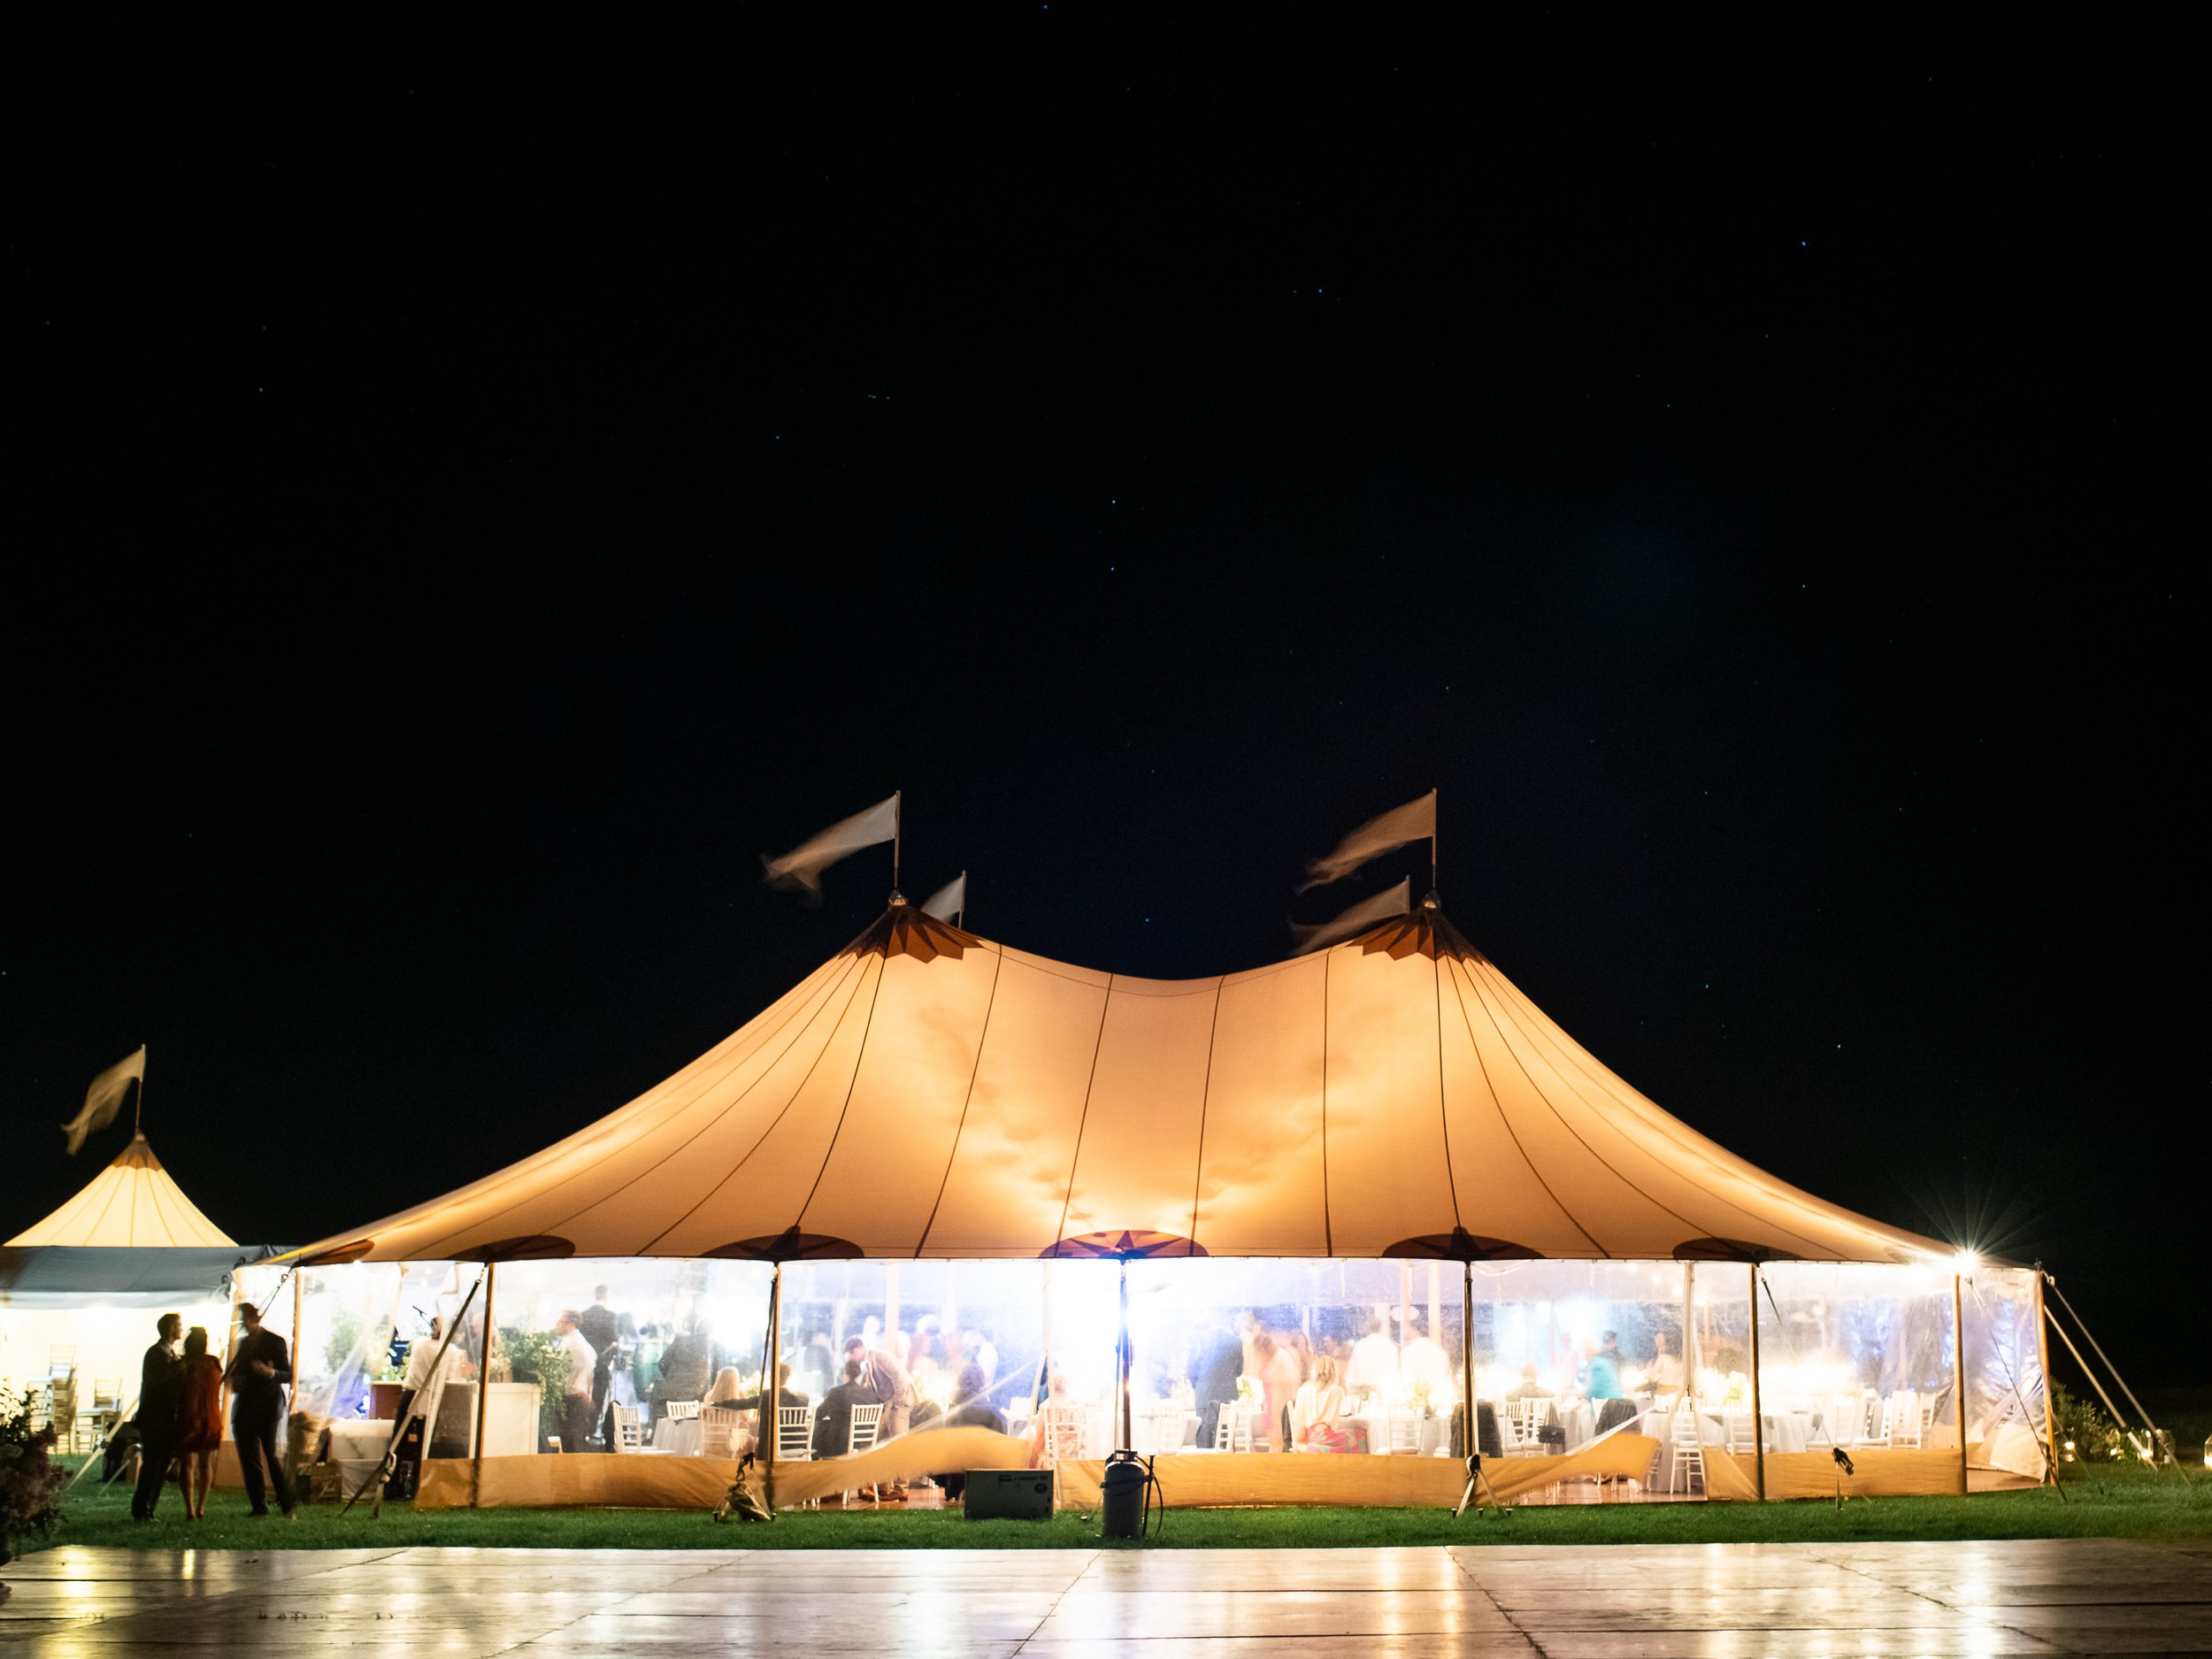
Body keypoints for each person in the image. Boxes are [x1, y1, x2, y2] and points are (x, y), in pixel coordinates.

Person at [227, 1302, 295, 1517]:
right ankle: (258, 1505)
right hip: (246, 1406)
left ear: (250, 1319)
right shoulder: (243, 1344)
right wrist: (237, 1381)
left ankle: (286, 1501)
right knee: (249, 1459)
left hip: (267, 1405)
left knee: (271, 1454)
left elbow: (288, 1374)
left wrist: (270, 1373)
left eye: (243, 1321)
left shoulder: (275, 1341)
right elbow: (239, 1373)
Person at [130, 1312, 183, 1520]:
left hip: (166, 1418)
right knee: (152, 1464)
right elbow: (157, 1382)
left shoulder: (169, 1352)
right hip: (155, 1418)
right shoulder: (156, 1353)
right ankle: (141, 1508)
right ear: (170, 1328)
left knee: (161, 1465)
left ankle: (150, 1507)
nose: (181, 1328)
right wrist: (179, 1367)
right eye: (179, 1325)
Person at [173, 1325, 224, 1520]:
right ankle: (201, 1506)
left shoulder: (184, 1364)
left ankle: (190, 1509)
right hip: (210, 1416)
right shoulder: (213, 1363)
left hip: (189, 1416)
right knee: (205, 1464)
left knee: (188, 1465)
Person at [941, 1363, 1008, 1501]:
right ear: (982, 1382)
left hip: (958, 1457)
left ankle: (954, 1490)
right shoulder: (988, 1408)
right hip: (984, 1456)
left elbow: (947, 1432)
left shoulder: (954, 1406)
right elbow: (1001, 1434)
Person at [577, 1285, 622, 1445]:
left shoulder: (583, 1316)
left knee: (582, 1394)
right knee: (598, 1395)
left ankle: (582, 1431)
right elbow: (614, 1338)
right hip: (601, 1363)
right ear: (606, 1296)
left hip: (584, 1363)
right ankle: (592, 1428)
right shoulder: (611, 1317)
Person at [551, 1310, 597, 1454]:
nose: (557, 1325)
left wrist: (579, 1387)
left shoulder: (573, 1342)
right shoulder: (575, 1341)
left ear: (571, 1324)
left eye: (560, 1322)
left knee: (572, 1443)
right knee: (572, 1441)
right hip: (575, 1397)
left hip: (573, 1398)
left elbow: (586, 1364)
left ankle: (574, 1475)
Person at [811, 1357, 874, 1458]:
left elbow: (819, 1414)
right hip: (865, 1441)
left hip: (840, 1441)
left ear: (845, 1375)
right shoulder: (869, 1394)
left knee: (820, 1427)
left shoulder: (837, 1392)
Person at [1193, 1321, 1243, 1448]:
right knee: (1226, 1437)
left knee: (1204, 1436)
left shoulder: (1201, 1340)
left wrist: (1199, 1386)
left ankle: (1203, 1463)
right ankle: (1227, 1462)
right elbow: (1239, 1371)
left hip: (1204, 1396)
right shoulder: (1236, 1342)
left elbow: (1191, 1370)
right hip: (1227, 1396)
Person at [1250, 1329, 1302, 1452]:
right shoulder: (1270, 1359)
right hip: (1270, 1402)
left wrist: (1272, 1379)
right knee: (1271, 1437)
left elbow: (1293, 1379)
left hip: (1280, 1404)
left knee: (1278, 1437)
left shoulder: (1282, 1356)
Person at [650, 1322, 712, 1421]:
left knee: (666, 1429)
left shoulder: (680, 1340)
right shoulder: (711, 1349)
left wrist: (673, 1379)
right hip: (696, 1399)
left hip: (669, 1395)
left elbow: (663, 1363)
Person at [1290, 1353, 1349, 1448]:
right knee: (1359, 1435)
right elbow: (1345, 1411)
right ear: (1334, 1371)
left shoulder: (1304, 1390)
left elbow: (1297, 1417)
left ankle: (1314, 1450)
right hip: (1327, 1437)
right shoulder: (1337, 1391)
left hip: (1308, 1437)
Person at [1346, 1310, 1401, 1397]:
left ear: (1367, 1327)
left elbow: (1352, 1371)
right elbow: (1395, 1372)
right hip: (1386, 1392)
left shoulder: (1360, 1346)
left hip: (1364, 1391)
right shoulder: (1390, 1346)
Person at [1587, 1331, 1624, 1402]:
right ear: (1604, 1343)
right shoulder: (1600, 1358)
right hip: (1608, 1397)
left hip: (1613, 1396)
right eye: (1609, 1342)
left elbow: (1592, 1389)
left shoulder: (1620, 1358)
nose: (1613, 1345)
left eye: (1614, 1342)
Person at [1647, 1330, 1685, 1394]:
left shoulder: (1663, 1357)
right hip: (1677, 1391)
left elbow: (1652, 1376)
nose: (1658, 1340)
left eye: (1661, 1338)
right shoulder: (1683, 1360)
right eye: (1657, 1338)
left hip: (1664, 1390)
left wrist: (1649, 1368)